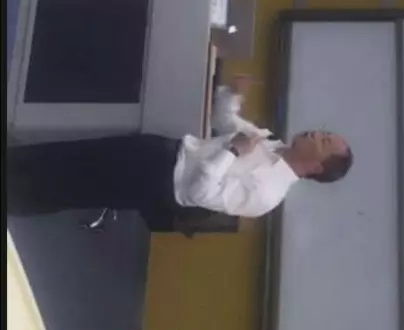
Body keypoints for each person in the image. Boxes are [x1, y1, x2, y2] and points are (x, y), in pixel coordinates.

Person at [7, 76, 353, 224]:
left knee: (71, 187)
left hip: (156, 183)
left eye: (323, 141)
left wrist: (232, 153)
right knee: (72, 155)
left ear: (316, 168)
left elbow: (200, 193)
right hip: (160, 151)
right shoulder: (269, 141)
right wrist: (233, 94)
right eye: (323, 132)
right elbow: (224, 122)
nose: (315, 133)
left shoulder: (268, 194)